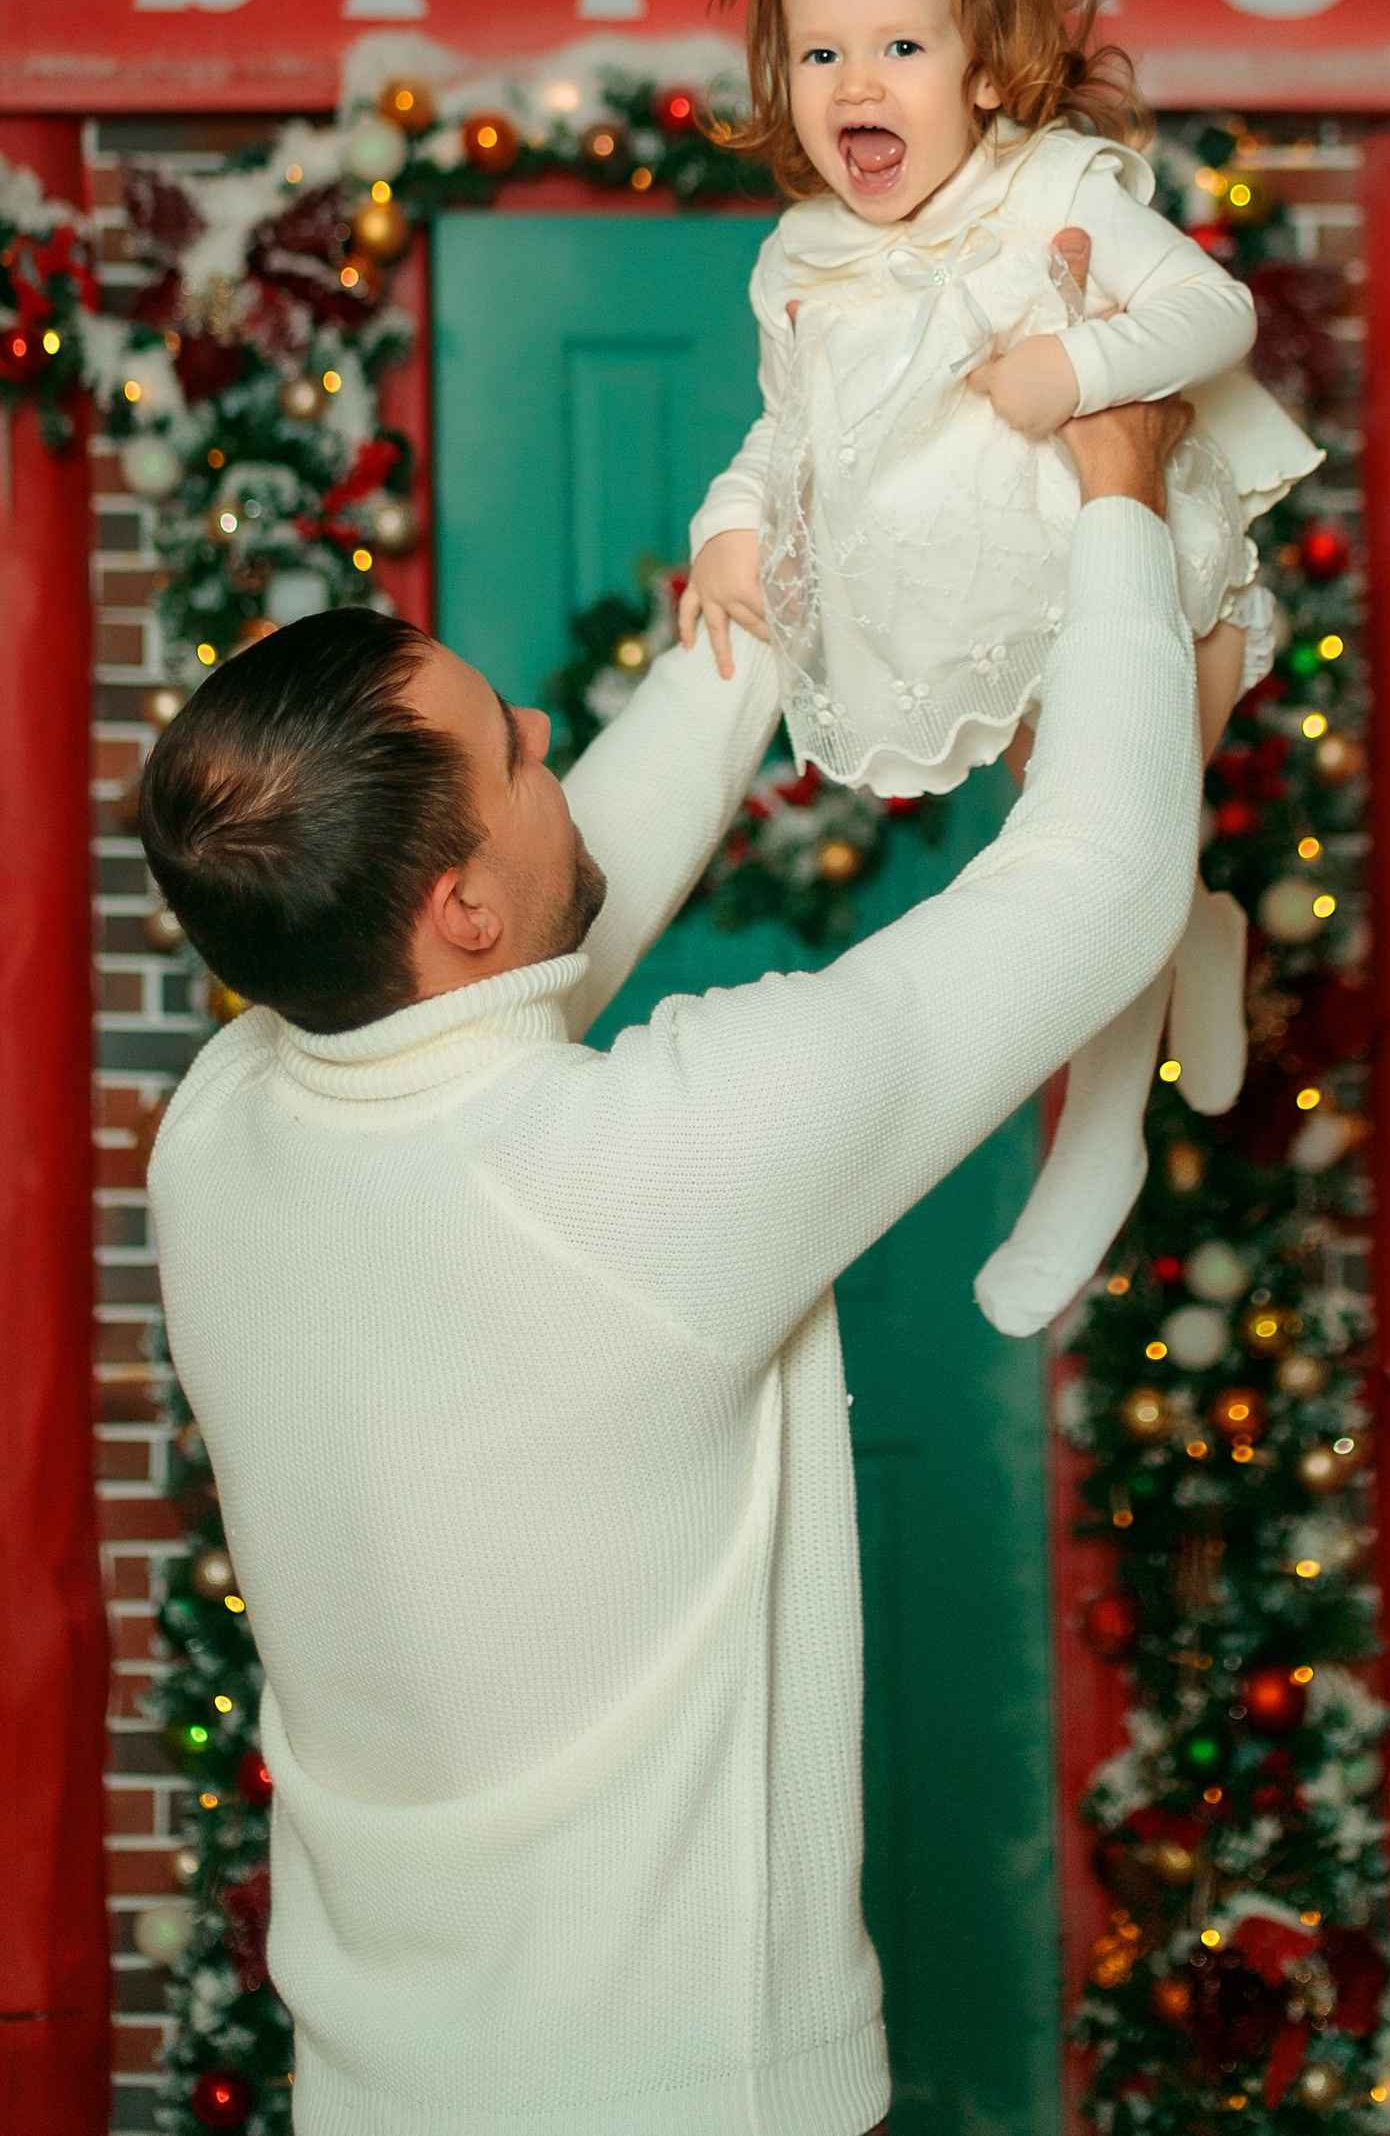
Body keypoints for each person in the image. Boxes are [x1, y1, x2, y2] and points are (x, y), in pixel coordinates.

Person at [136, 394, 1201, 2136]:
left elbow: (566, 896)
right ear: (460, 906)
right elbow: (1104, 876)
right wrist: (1119, 492)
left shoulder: (226, 1124)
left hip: (372, 2096)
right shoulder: (649, 1168)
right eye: (517, 749)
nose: (555, 725)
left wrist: (832, 460)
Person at [679, 0, 1321, 1338]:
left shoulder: (1052, 188)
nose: (860, 81)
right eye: (823, 51)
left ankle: (1095, 1142)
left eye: (902, 46)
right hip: (1013, 618)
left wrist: (1074, 368)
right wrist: (730, 527)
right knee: (1105, 850)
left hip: (1159, 575)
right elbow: (797, 433)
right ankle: (1203, 931)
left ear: (982, 73)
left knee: (1097, 863)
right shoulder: (808, 262)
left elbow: (1212, 311)